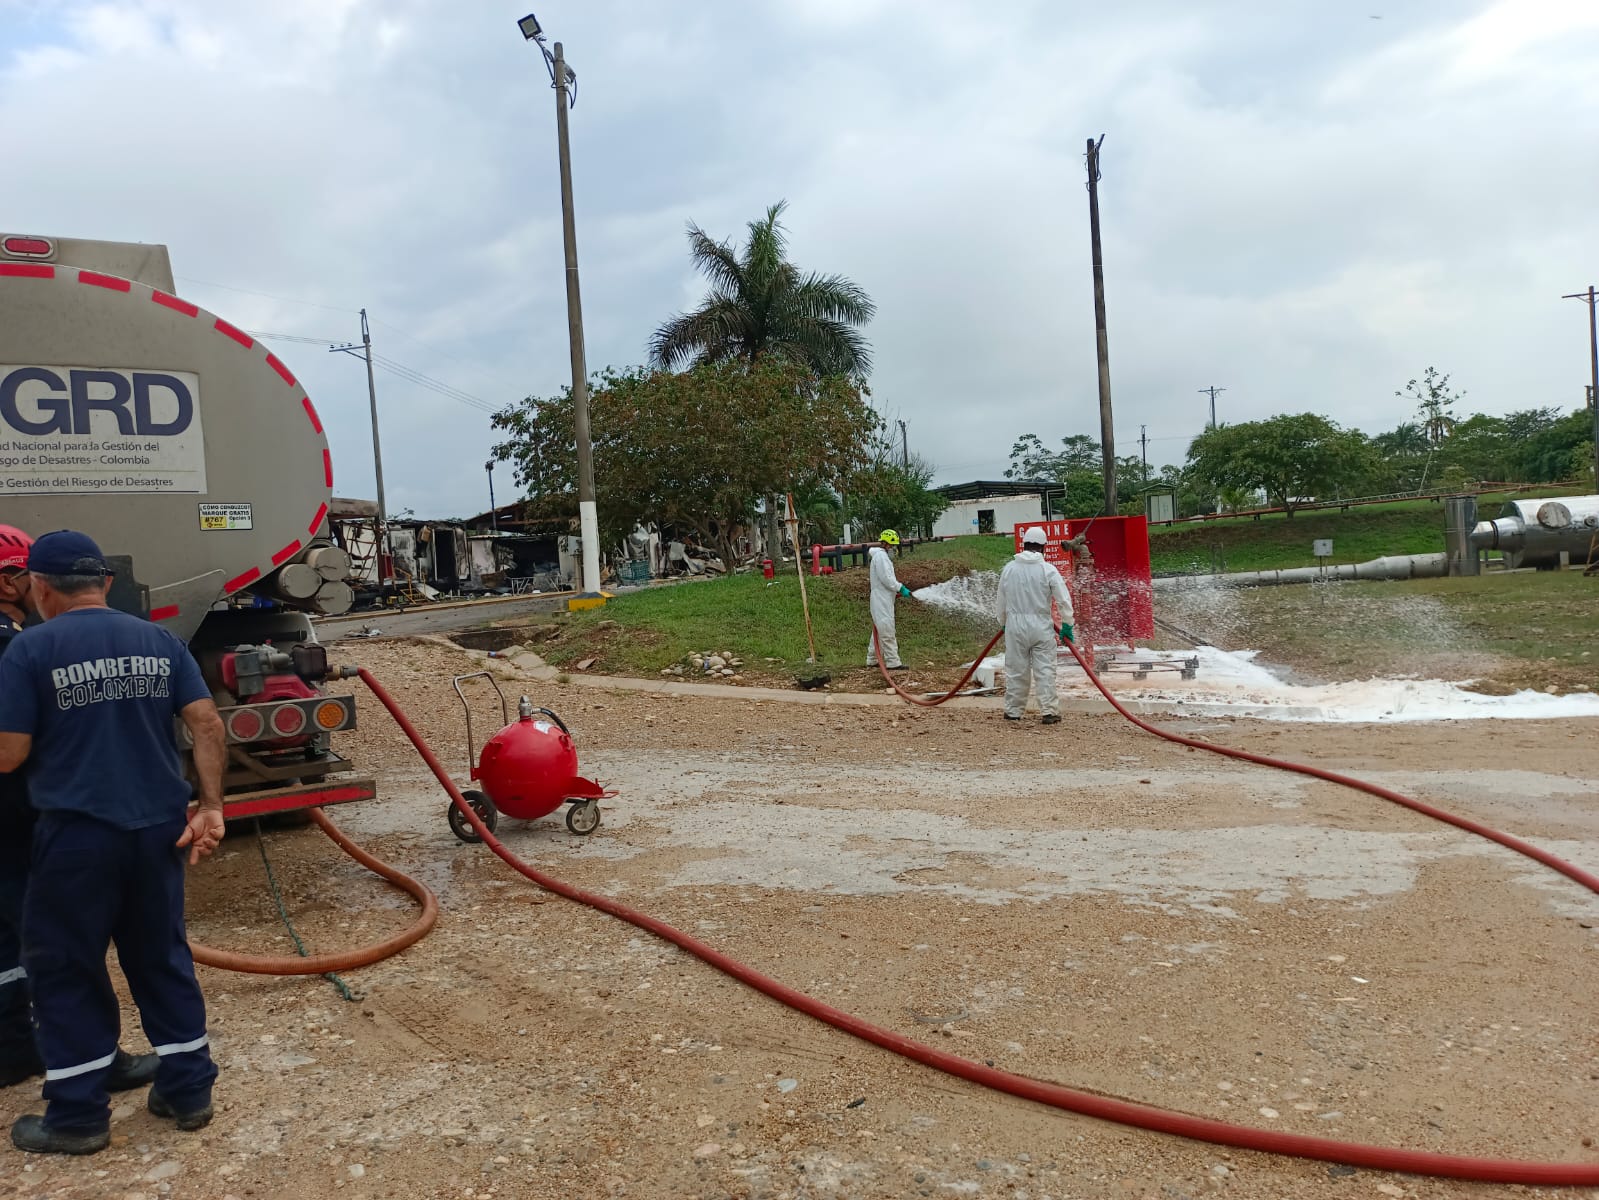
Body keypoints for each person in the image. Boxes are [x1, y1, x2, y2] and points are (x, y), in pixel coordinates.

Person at [0, 531, 227, 1155]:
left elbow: (9, 753)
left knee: (66, 967)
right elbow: (206, 723)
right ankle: (188, 1089)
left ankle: (76, 1117)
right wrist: (210, 806)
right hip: (160, 831)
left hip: (77, 836)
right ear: (102, 582)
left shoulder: (30, 649)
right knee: (160, 956)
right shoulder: (158, 640)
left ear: (41, 587)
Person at [0, 527, 160, 1097]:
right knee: (62, 949)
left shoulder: (22, 639)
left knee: (13, 942)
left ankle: (14, 1051)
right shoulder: (15, 645)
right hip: (25, 821)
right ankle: (94, 1066)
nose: (34, 586)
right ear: (9, 582)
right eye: (23, 575)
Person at [996, 526, 1075, 725]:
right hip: (1041, 625)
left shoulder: (1009, 569)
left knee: (1016, 670)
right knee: (1045, 670)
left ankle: (1013, 711)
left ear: (1024, 545)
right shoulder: (1048, 570)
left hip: (1015, 626)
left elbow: (1001, 601)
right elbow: (1064, 600)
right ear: (1044, 548)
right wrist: (1067, 624)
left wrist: (1004, 623)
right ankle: (1049, 712)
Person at [864, 529, 915, 671]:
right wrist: (900, 588)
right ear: (886, 544)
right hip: (881, 598)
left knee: (880, 629)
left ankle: (872, 659)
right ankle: (893, 662)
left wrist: (895, 591)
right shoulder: (881, 558)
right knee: (886, 628)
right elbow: (887, 579)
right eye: (892, 545)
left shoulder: (881, 557)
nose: (893, 548)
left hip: (883, 597)